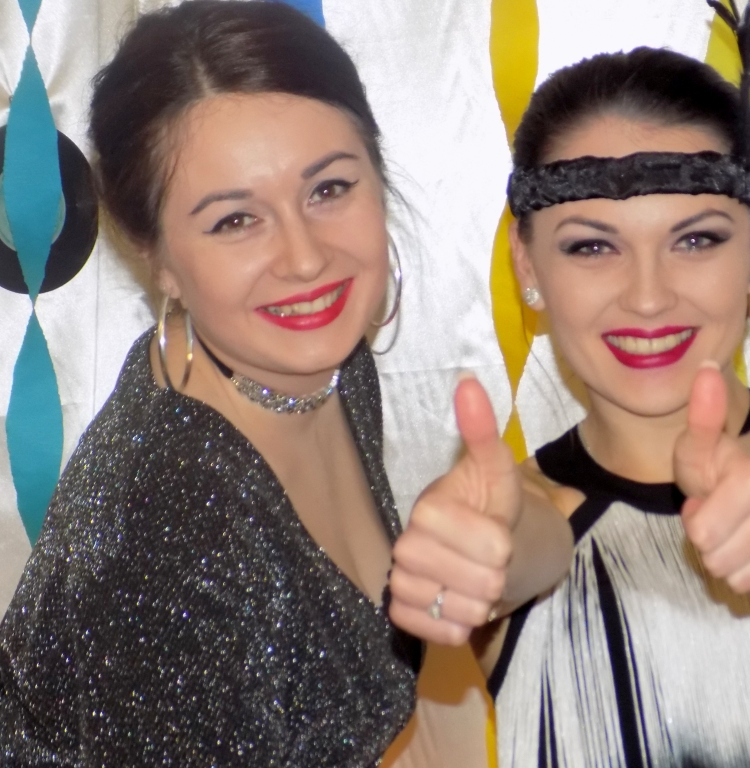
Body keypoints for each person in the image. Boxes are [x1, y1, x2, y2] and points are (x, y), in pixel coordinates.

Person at [0, 2, 572, 765]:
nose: (306, 259)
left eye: (328, 189)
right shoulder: (166, 541)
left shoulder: (317, 365)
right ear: (158, 258)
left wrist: (513, 550)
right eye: (235, 221)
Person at [387, 4, 750, 767]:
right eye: (593, 247)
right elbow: (530, 548)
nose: (648, 297)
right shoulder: (514, 516)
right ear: (528, 268)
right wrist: (479, 555)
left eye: (695, 239)